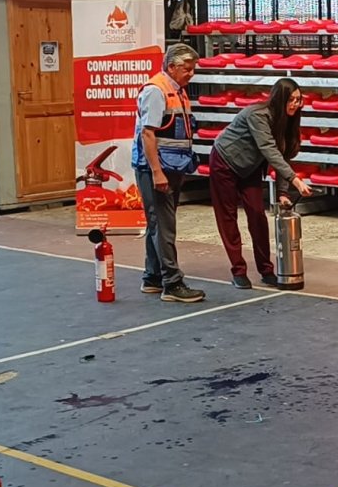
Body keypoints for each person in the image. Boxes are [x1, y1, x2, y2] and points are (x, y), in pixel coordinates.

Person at [209, 78, 313, 289]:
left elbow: (283, 154)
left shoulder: (288, 121)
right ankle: (238, 270)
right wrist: (295, 180)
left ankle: (266, 269)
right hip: (225, 161)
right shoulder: (258, 115)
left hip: (250, 166)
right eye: (291, 99)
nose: (295, 104)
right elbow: (268, 150)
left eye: (298, 100)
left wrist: (283, 192)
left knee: (257, 215)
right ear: (279, 99)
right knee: (227, 217)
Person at [132, 43, 206, 303]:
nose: (191, 73)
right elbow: (148, 133)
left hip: (172, 166)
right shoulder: (156, 91)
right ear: (172, 67)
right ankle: (172, 284)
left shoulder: (177, 91)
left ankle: (153, 277)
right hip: (157, 168)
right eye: (187, 69)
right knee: (164, 226)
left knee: (157, 223)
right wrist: (156, 172)